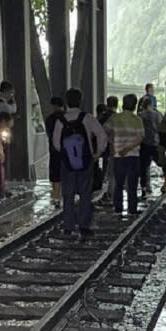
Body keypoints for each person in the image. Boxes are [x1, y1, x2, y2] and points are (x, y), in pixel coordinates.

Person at [52, 88, 108, 237]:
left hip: (67, 163)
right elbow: (102, 136)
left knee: (68, 194)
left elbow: (56, 144)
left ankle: (68, 226)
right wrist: (97, 153)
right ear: (81, 101)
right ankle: (84, 226)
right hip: (86, 161)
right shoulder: (87, 118)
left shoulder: (60, 120)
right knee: (85, 194)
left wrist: (67, 153)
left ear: (66, 102)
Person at [105, 94, 145, 215]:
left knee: (118, 183)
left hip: (118, 155)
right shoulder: (137, 119)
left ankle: (118, 207)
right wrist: (128, 149)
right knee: (132, 184)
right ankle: (132, 209)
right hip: (133, 156)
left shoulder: (114, 118)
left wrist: (113, 143)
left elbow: (105, 131)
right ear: (134, 105)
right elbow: (140, 137)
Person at [138, 96, 163, 197]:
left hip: (144, 144)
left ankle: (145, 187)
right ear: (151, 104)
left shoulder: (140, 115)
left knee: (144, 167)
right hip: (155, 143)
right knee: (162, 163)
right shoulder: (157, 115)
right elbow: (161, 128)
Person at [44, 97, 66, 206]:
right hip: (68, 150)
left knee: (55, 173)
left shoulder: (50, 119)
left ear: (53, 106)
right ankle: (66, 196)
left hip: (54, 150)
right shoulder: (67, 117)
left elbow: (49, 134)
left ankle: (56, 197)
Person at [99, 96, 118, 203]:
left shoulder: (102, 116)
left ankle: (103, 182)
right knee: (112, 168)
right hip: (113, 146)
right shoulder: (117, 117)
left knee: (105, 164)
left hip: (102, 144)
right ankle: (110, 189)